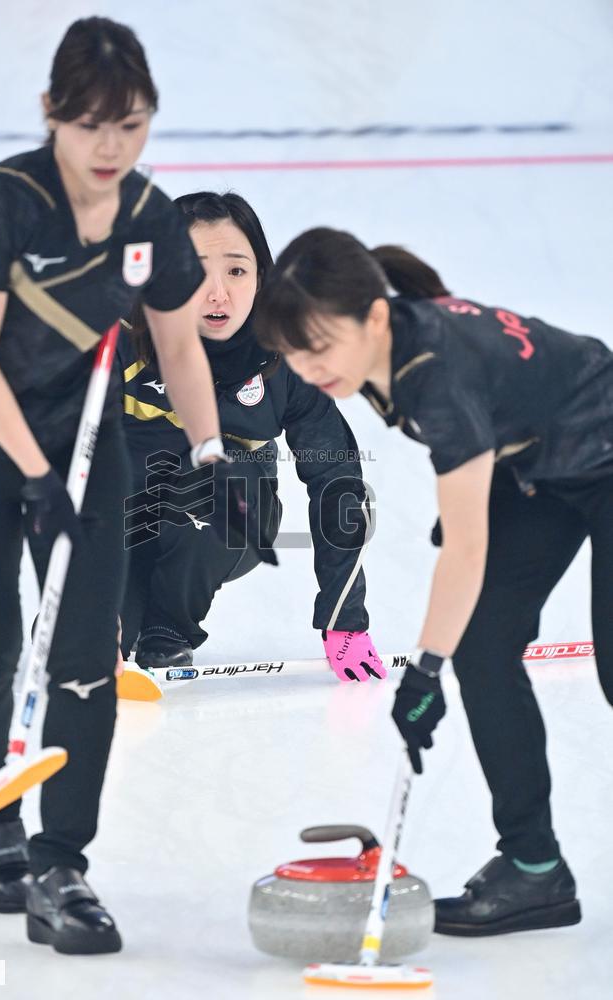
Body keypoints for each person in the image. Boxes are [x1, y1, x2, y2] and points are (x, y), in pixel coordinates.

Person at [0, 17, 243, 956]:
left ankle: (61, 864)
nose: (110, 147)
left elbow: (177, 345)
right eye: (91, 124)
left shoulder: (150, 219)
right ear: (52, 113)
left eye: (130, 126)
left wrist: (212, 454)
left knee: (87, 656)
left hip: (85, 452)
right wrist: (33, 473)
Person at [254, 229, 613, 937]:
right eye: (293, 351)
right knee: (484, 648)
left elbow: (467, 552)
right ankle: (534, 870)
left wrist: (423, 672)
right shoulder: (386, 354)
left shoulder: (433, 372)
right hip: (542, 462)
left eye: (319, 346)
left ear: (375, 319)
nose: (307, 366)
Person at [118, 192, 384, 683]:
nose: (218, 293)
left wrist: (344, 621)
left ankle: (167, 629)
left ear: (262, 276)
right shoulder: (119, 338)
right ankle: (118, 616)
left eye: (236, 271)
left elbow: (338, 482)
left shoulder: (284, 358)